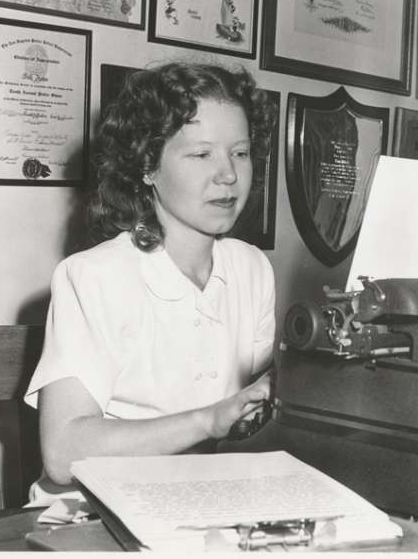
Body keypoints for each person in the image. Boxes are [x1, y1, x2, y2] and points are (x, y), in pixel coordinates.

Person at [24, 63, 276, 502]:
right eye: (201, 155)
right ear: (147, 167)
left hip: (203, 506)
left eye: (240, 152)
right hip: (94, 513)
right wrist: (208, 421)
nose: (229, 175)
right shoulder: (93, 276)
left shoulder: (252, 269)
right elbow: (62, 456)